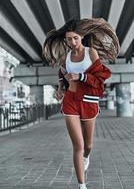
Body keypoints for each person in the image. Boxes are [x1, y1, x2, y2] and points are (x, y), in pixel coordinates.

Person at [42, 18, 120, 189]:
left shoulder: (91, 53)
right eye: (69, 39)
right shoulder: (66, 57)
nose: (72, 42)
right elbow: (62, 75)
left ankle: (87, 156)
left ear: (82, 36)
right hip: (70, 101)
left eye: (75, 38)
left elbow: (101, 77)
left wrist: (81, 76)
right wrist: (60, 89)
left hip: (88, 101)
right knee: (78, 145)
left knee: (88, 145)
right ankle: (81, 185)